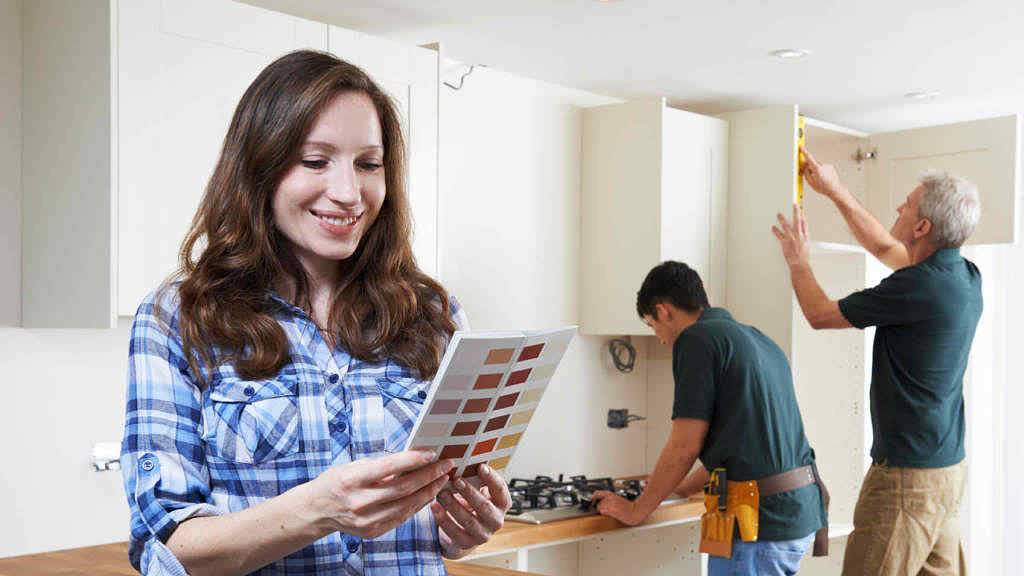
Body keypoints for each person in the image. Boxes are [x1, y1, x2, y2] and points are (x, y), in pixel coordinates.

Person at [120, 50, 511, 576]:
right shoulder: (179, 317)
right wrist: (319, 510)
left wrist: (458, 527)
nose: (350, 193)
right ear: (259, 166)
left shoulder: (434, 313)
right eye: (315, 161)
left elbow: (433, 523)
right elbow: (164, 548)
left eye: (369, 165)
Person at [772, 147, 981, 576]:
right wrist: (835, 192)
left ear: (923, 227)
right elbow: (885, 246)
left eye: (907, 204)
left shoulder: (916, 288)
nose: (899, 207)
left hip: (906, 479)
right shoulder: (963, 276)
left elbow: (820, 315)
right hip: (945, 472)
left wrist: (797, 262)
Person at [592, 261, 827, 576]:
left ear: (662, 311)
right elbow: (741, 445)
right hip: (796, 512)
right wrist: (677, 489)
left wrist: (637, 510)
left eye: (652, 325)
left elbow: (684, 446)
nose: (660, 338)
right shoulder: (756, 339)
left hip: (758, 524)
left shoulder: (696, 340)